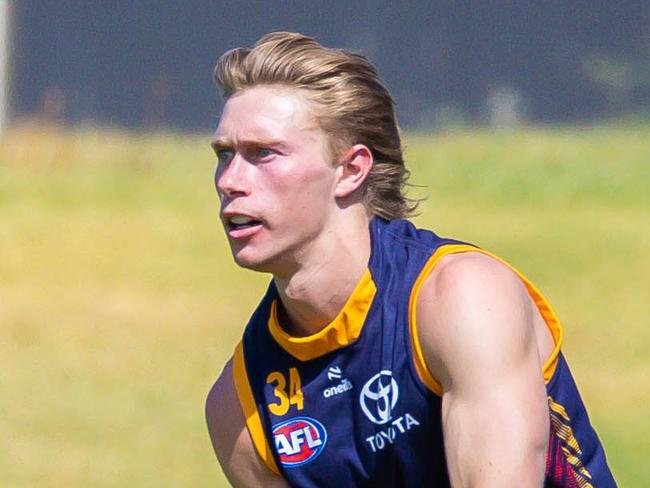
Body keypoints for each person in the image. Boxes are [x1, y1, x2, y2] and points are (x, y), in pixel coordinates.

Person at [205, 32, 616, 487]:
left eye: (263, 153)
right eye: (225, 155)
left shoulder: (459, 298)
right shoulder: (240, 406)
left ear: (351, 170)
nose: (231, 180)